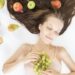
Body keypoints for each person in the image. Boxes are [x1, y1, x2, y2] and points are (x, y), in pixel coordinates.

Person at [3, 0, 75, 75]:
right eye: (49, 28)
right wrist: (23, 60)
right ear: (40, 26)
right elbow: (5, 69)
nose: (52, 34)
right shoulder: (26, 48)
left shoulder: (60, 52)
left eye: (56, 32)